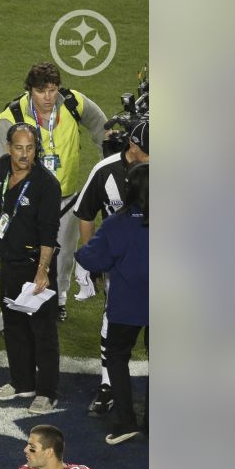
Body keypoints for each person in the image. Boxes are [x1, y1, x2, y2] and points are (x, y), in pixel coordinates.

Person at [0, 62, 108, 321]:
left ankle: (58, 300)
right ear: (30, 90)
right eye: (41, 91)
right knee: (21, 256)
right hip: (27, 202)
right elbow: (2, 171)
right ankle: (8, 310)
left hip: (65, 198)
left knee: (64, 253)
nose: (48, 97)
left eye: (53, 90)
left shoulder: (72, 103)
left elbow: (103, 129)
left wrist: (106, 164)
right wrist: (1, 210)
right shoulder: (11, 117)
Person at [73, 121, 149, 417]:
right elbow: (86, 213)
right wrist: (93, 259)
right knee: (112, 321)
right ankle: (108, 387)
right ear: (133, 146)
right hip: (121, 260)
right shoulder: (105, 170)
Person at [0, 123, 63, 414]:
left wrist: (42, 272)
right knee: (14, 324)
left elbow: (49, 234)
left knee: (42, 331)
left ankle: (47, 391)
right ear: (9, 148)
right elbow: (2, 196)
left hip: (34, 265)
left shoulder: (46, 185)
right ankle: (22, 382)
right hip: (9, 259)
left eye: (30, 148)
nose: (24, 154)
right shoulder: (4, 166)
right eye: (18, 148)